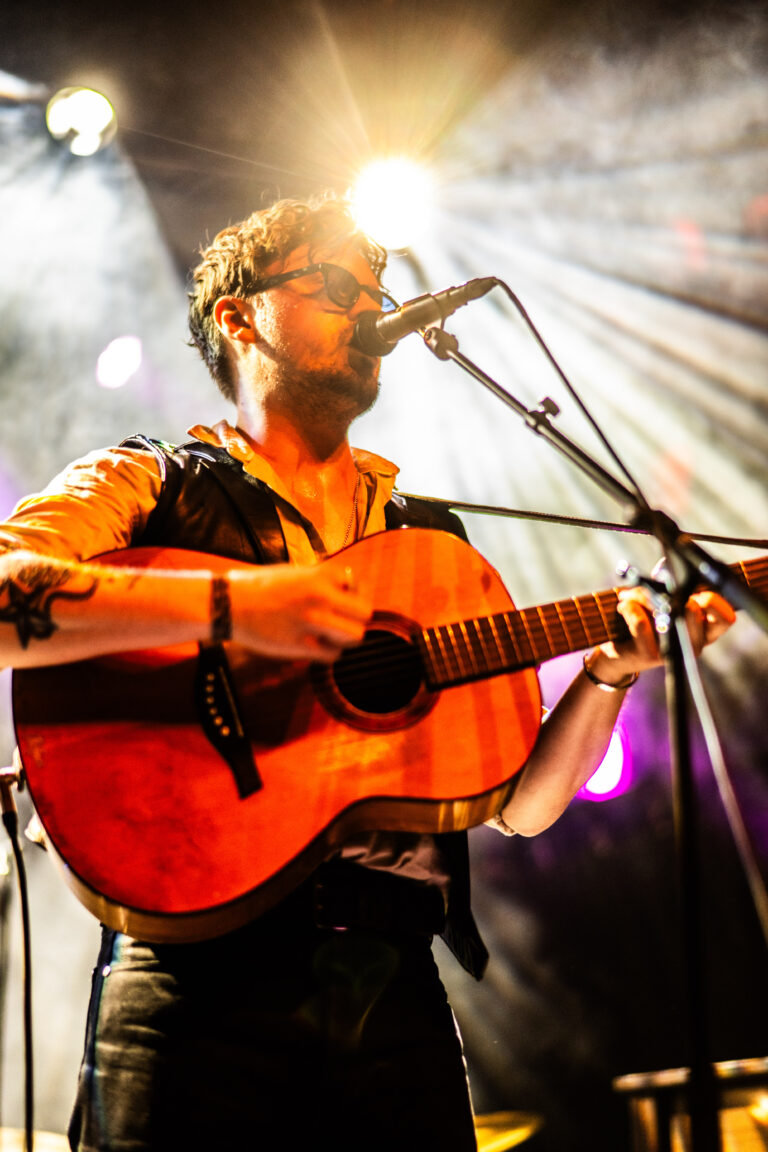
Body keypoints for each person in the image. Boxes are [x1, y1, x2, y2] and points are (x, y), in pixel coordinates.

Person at [0, 194, 734, 1152]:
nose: (373, 309)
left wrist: (606, 673)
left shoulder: (433, 548)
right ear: (239, 315)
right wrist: (243, 608)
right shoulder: (153, 483)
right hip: (189, 991)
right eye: (339, 285)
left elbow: (520, 805)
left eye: (380, 289)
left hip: (394, 991)